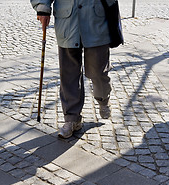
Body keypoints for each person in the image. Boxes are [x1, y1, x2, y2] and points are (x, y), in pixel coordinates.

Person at [31, 0, 113, 138]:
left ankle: (103, 98)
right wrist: (42, 7)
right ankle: (72, 119)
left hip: (96, 18)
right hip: (68, 19)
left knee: (98, 71)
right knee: (69, 74)